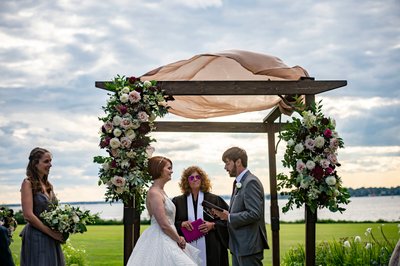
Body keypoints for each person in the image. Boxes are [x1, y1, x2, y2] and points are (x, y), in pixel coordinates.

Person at [126, 156, 201, 266]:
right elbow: (164, 224)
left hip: (169, 236)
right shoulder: (154, 193)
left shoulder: (161, 191)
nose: (171, 171)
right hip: (161, 237)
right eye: (169, 168)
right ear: (159, 169)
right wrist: (179, 239)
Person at [213, 147, 269, 266]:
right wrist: (223, 215)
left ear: (238, 162)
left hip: (248, 247)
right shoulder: (239, 182)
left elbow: (254, 213)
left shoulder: (251, 182)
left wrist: (229, 217)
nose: (225, 167)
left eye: (227, 163)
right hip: (238, 246)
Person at [173, 165, 229, 266]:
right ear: (187, 181)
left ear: (202, 179)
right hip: (186, 246)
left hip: (211, 247)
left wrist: (212, 225)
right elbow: (171, 223)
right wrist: (181, 224)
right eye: (191, 177)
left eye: (197, 177)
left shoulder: (214, 200)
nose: (195, 179)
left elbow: (227, 220)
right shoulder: (178, 202)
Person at [20, 147, 65, 266]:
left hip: (51, 237)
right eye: (46, 161)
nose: (50, 165)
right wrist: (51, 233)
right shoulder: (27, 183)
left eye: (50, 161)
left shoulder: (48, 185)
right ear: (35, 163)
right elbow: (28, 215)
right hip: (36, 237)